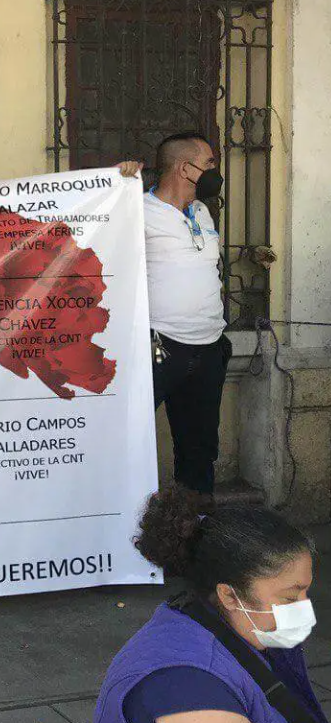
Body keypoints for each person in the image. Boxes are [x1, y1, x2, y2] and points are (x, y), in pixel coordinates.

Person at [91, 490, 328, 723]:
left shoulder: (232, 629)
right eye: (289, 598)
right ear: (229, 595)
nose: (304, 607)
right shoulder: (186, 686)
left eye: (305, 591)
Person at [118, 133, 230, 500]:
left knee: (199, 450)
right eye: (209, 163)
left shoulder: (202, 212)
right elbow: (92, 232)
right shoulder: (136, 210)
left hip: (209, 348)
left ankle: (194, 525)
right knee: (125, 439)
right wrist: (114, 184)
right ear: (185, 168)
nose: (215, 171)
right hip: (159, 348)